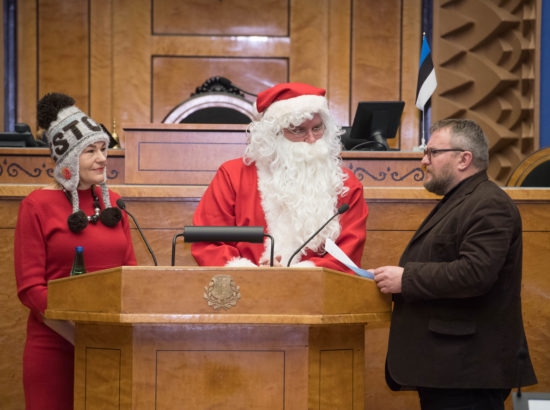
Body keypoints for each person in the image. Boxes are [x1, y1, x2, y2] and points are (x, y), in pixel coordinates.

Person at [372, 119, 537, 410]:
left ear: (464, 158)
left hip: (466, 373)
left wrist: (406, 278)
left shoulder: (489, 203)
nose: (424, 161)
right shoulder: (462, 200)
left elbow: (475, 273)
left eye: (432, 152)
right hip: (448, 370)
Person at [14, 93, 137, 410]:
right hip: (54, 345)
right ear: (67, 159)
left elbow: (132, 275)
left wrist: (103, 338)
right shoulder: (36, 206)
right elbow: (30, 289)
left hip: (111, 348)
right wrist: (80, 332)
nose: (102, 159)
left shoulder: (116, 204)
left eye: (103, 150)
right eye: (90, 151)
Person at [191, 82, 368, 271]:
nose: (311, 139)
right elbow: (208, 243)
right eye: (299, 130)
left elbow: (348, 252)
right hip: (243, 290)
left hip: (315, 293)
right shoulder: (232, 176)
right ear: (273, 134)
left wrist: (295, 274)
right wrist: (251, 273)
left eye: (317, 128)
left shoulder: (344, 184)